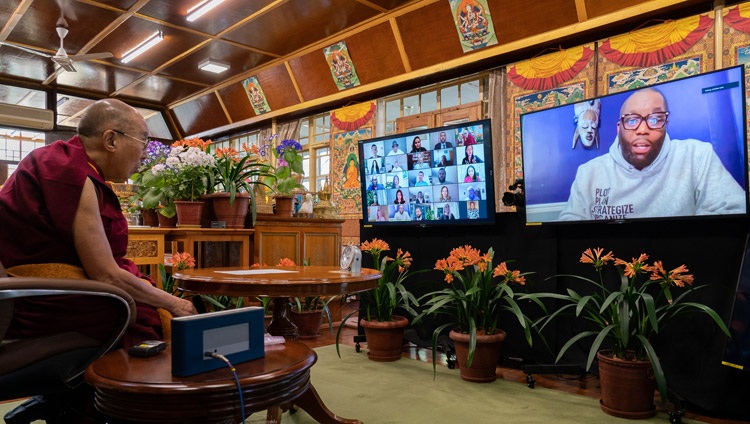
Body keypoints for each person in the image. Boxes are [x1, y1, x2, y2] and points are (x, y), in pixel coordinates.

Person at [0, 99, 198, 422]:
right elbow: (106, 277)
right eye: (144, 141)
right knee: (134, 313)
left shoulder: (69, 164)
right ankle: (118, 410)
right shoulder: (73, 175)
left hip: (25, 293)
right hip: (37, 302)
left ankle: (79, 402)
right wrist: (175, 304)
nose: (146, 153)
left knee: (140, 304)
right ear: (111, 141)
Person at [559, 87, 746, 221]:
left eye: (655, 119)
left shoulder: (696, 155)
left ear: (666, 123)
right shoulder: (589, 172)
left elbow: (734, 210)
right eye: (631, 120)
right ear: (619, 129)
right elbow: (567, 230)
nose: (642, 129)